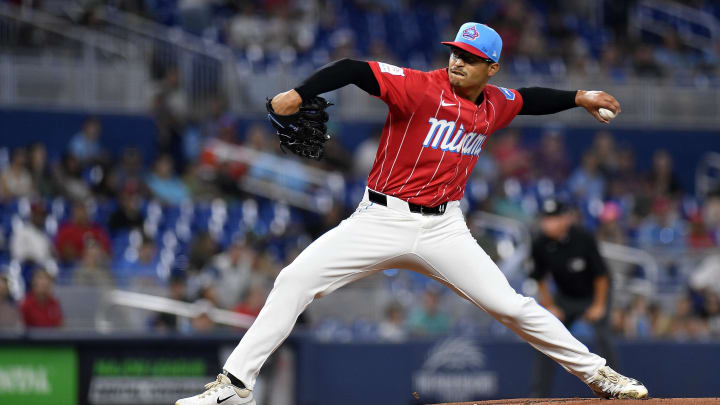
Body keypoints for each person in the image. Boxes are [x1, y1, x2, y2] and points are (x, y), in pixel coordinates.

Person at [176, 22, 646, 405]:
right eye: (455, 52)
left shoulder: (495, 104)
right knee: (294, 280)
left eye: (471, 57)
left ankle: (599, 374)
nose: (458, 61)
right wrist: (299, 93)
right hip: (380, 217)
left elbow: (529, 98)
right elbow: (352, 68)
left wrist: (579, 96)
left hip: (444, 228)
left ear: (491, 68)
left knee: (511, 305)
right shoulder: (420, 88)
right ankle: (234, 386)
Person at [528, 199, 619, 397]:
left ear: (565, 219)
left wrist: (599, 305)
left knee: (603, 338)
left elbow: (601, 275)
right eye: (546, 219)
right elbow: (539, 277)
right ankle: (539, 396)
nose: (548, 223)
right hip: (565, 297)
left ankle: (615, 389)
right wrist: (550, 305)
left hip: (594, 294)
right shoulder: (539, 243)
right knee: (546, 338)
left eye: (553, 218)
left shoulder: (583, 237)